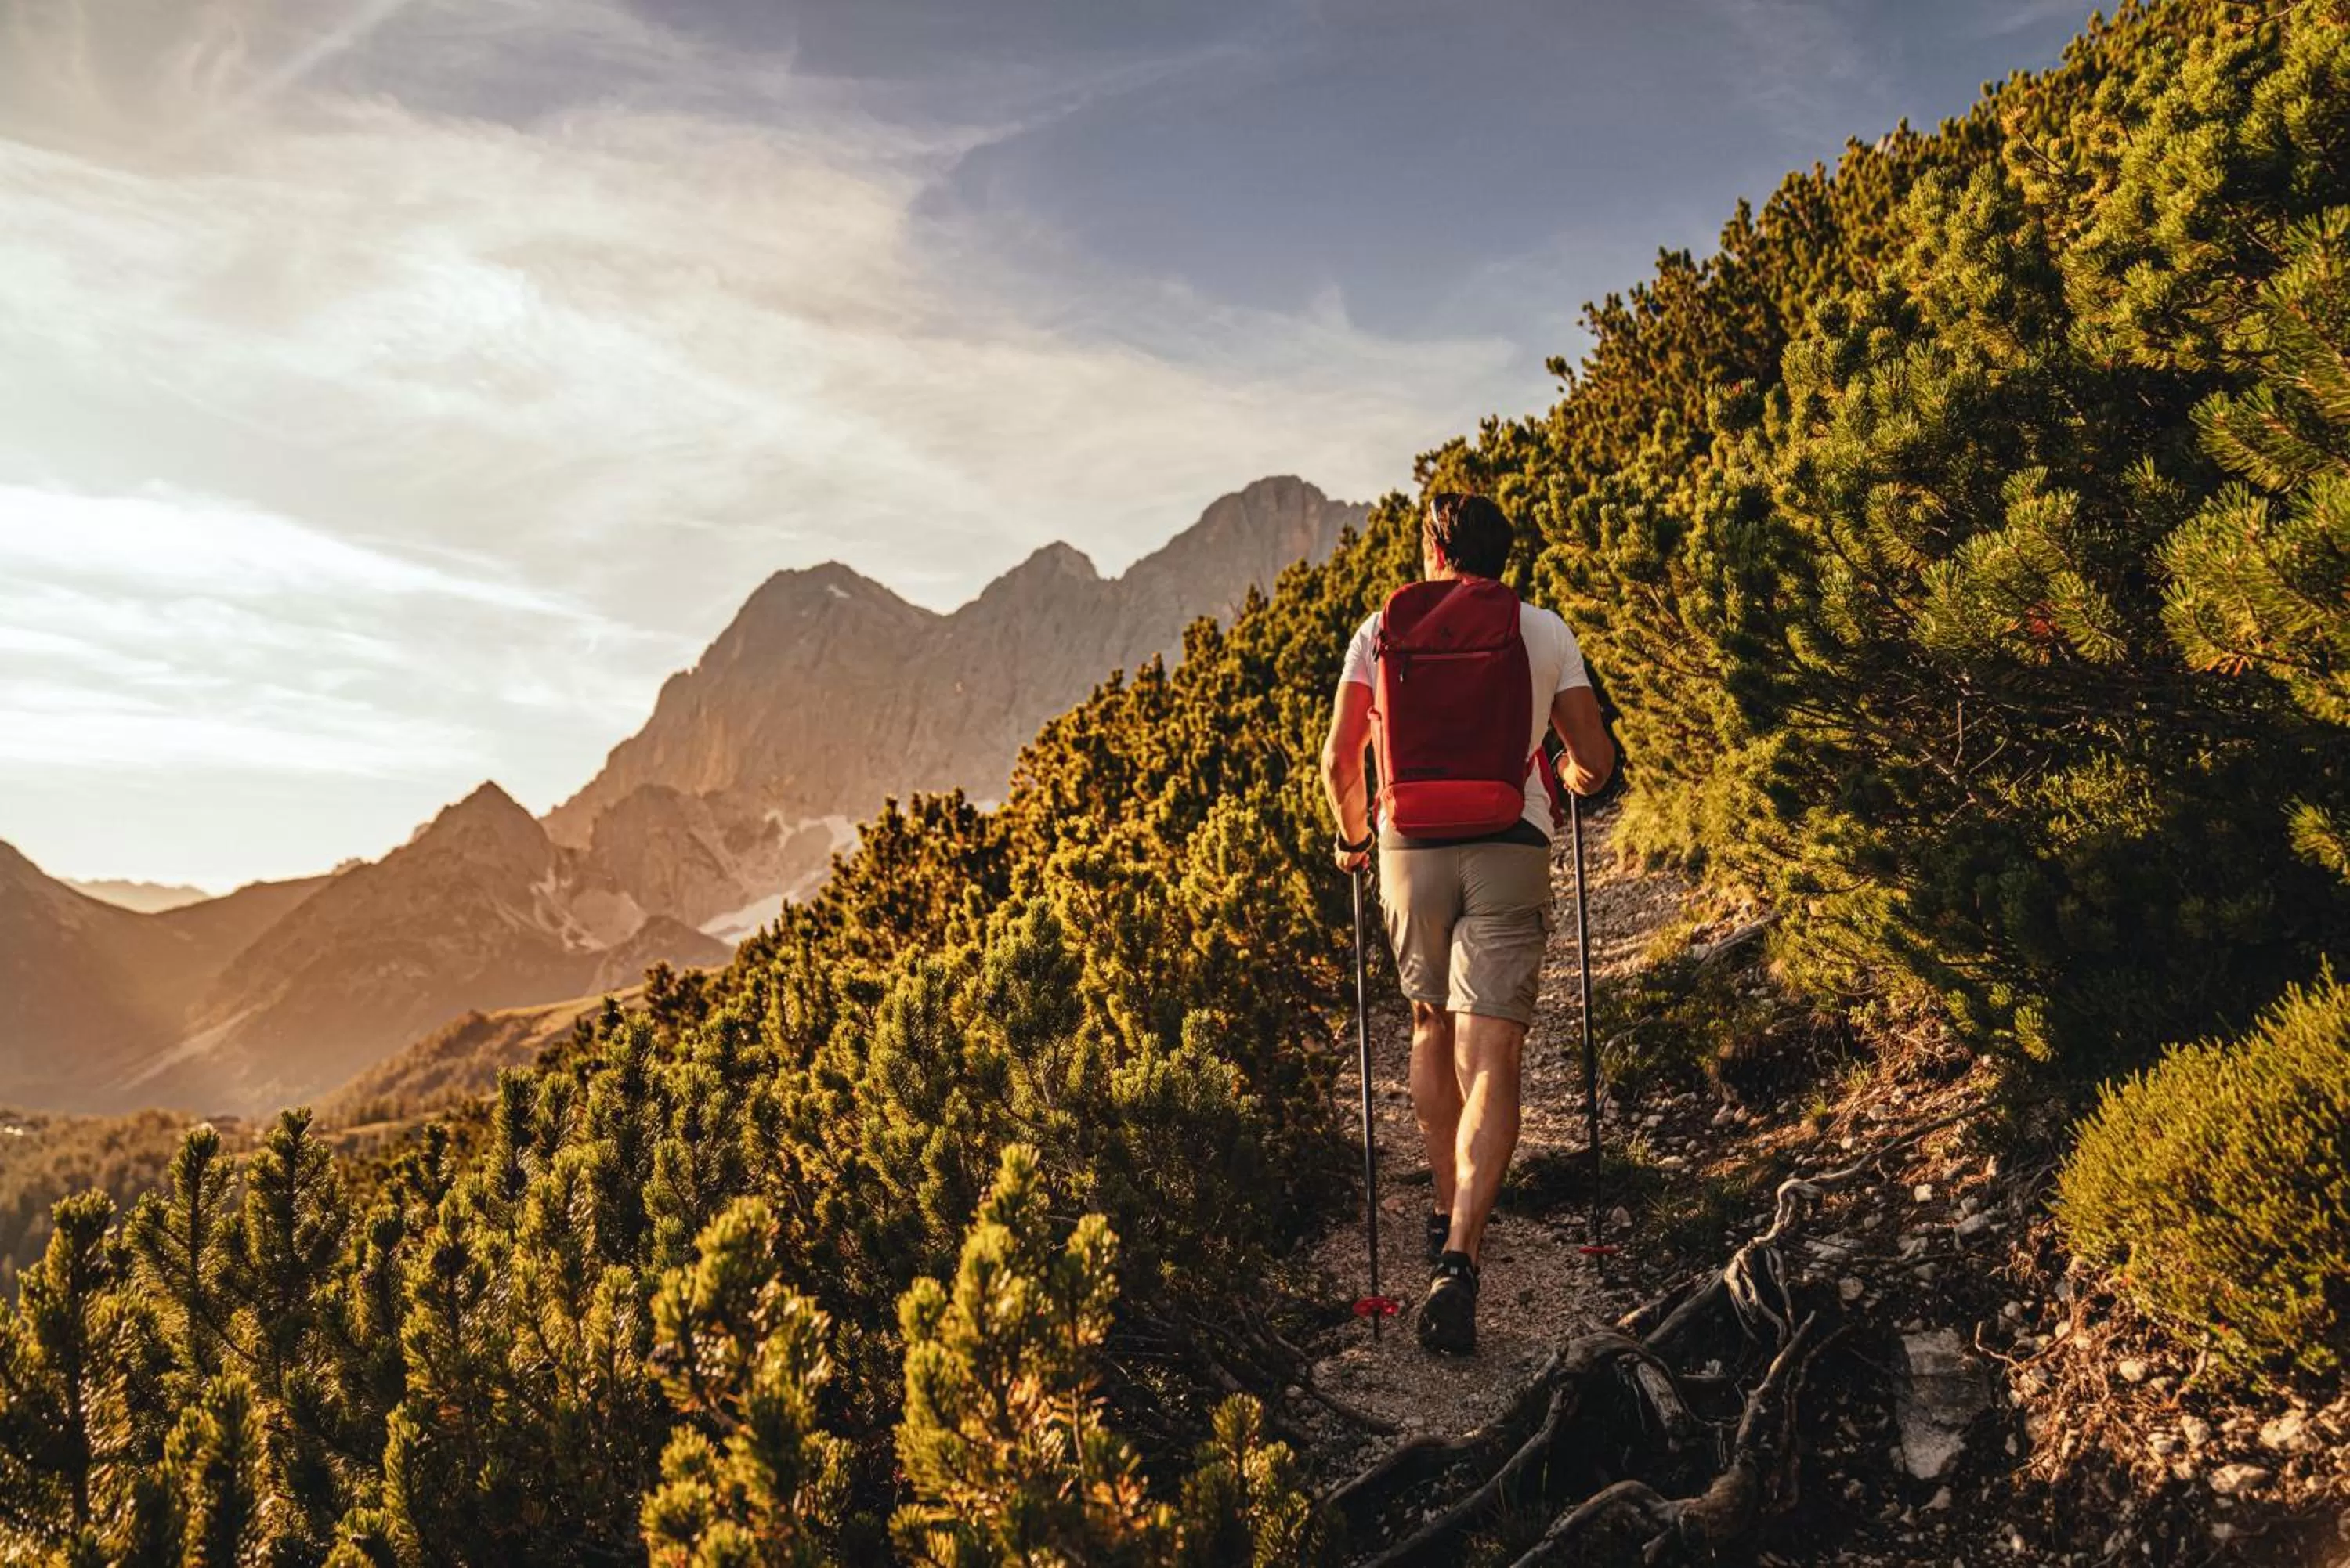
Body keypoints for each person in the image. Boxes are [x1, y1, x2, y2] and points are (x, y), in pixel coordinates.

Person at [1319, 493, 1614, 1356]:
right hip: (1510, 836)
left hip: (1408, 843)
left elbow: (1339, 756)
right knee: (1495, 1047)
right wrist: (1576, 778)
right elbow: (1593, 757)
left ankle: (1446, 1195)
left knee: (1428, 1023)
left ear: (1433, 549)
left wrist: (1351, 839)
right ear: (1500, 554)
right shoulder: (1543, 628)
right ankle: (1460, 1255)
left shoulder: (1379, 629)